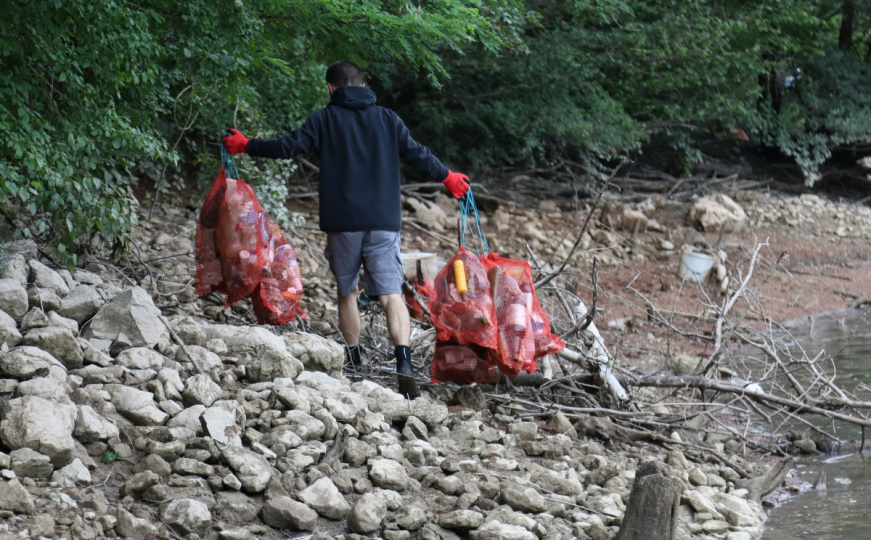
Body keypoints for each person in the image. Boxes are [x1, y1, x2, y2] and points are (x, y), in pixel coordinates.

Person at [222, 60, 470, 399]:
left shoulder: (324, 119)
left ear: (330, 88)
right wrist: (448, 177)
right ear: (364, 86)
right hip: (383, 222)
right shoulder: (387, 118)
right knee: (391, 295)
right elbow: (418, 154)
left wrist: (246, 144)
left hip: (343, 223)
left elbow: (287, 147)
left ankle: (355, 364)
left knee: (348, 291)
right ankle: (405, 363)